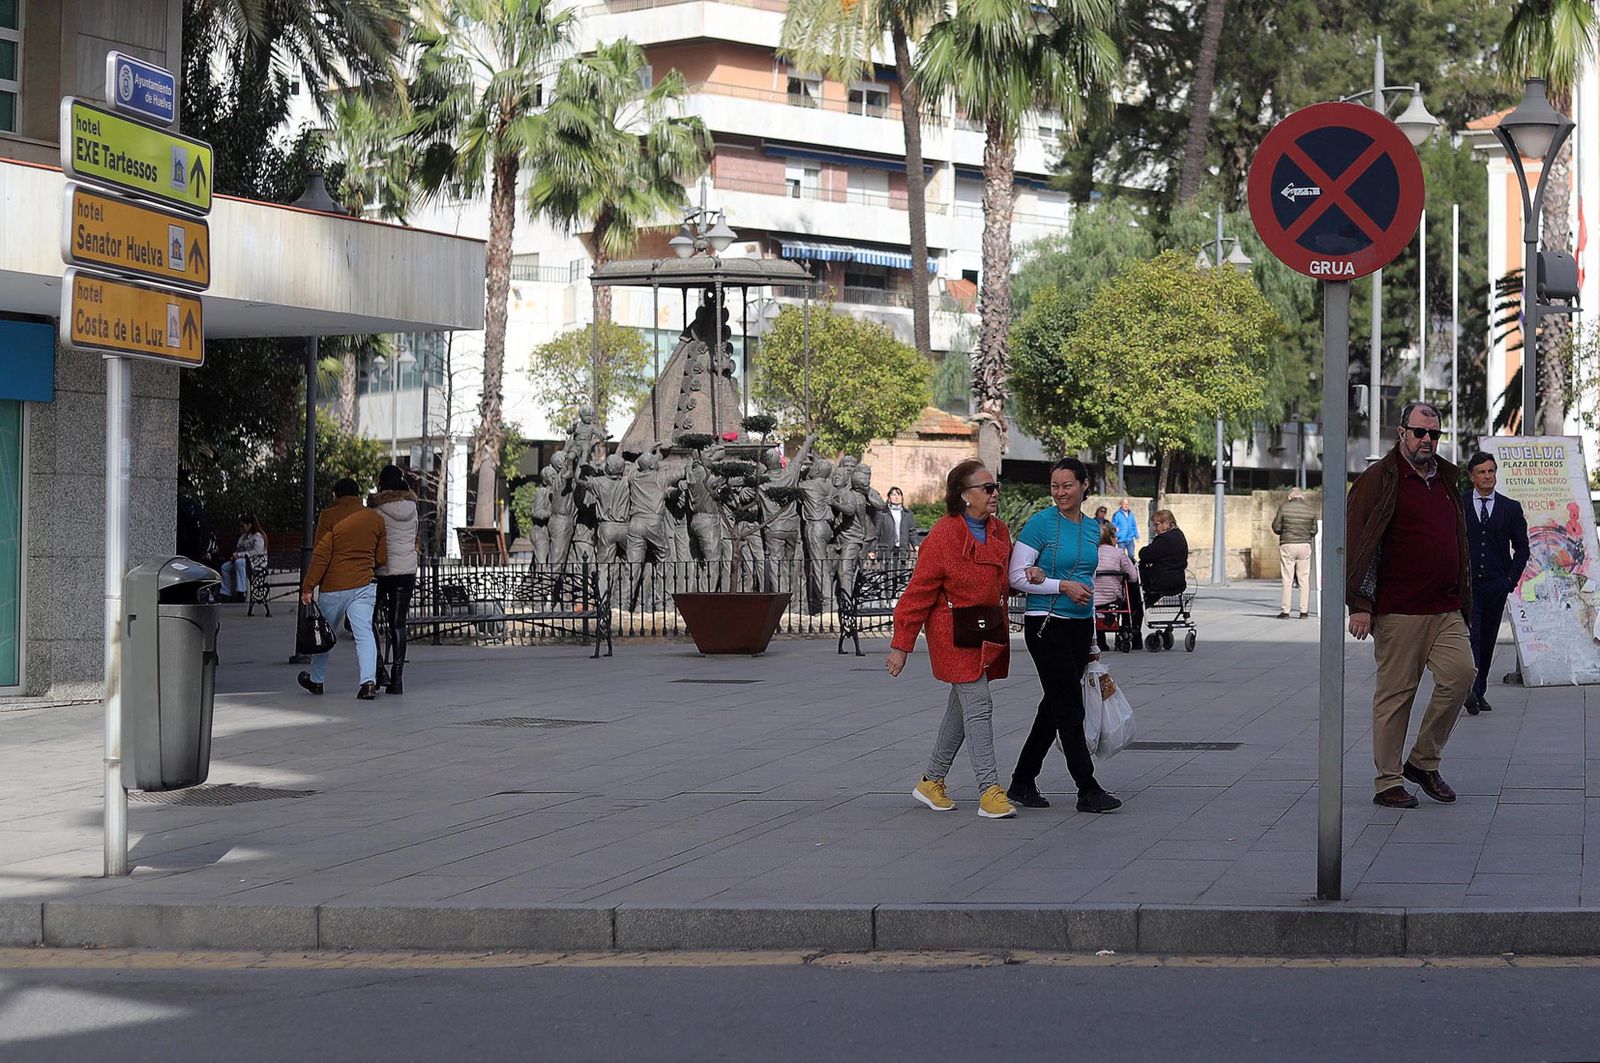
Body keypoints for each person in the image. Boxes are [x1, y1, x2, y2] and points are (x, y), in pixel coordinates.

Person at [1346, 401, 1475, 809]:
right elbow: (1358, 543)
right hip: (1399, 609)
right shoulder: (1378, 479)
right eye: (1419, 432)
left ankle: (1422, 760)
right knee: (1396, 695)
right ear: (1400, 432)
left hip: (1445, 607)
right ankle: (1388, 781)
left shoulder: (1445, 480)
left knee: (1462, 675)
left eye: (1434, 434)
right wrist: (1359, 603)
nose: (1427, 440)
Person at [886, 459, 1016, 820]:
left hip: (986, 631)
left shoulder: (1000, 531)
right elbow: (918, 593)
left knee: (961, 709)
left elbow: (1007, 579)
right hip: (951, 633)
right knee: (978, 705)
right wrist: (901, 644)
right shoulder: (943, 536)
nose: (995, 493)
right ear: (964, 496)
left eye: (995, 487)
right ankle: (990, 790)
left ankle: (932, 780)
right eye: (986, 488)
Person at [1005, 457, 1121, 814]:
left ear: (1085, 485)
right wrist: (1060, 585)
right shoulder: (1041, 523)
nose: (1060, 493)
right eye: (1054, 486)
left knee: (1053, 706)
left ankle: (1022, 781)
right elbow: (1016, 576)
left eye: (1067, 485)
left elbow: (1086, 580)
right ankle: (1087, 787)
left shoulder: (1091, 529)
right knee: (1068, 705)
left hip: (1079, 625)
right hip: (1046, 624)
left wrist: (1092, 643)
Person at [298, 478, 387, 700]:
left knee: (323, 634)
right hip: (364, 585)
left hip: (333, 586)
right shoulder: (375, 519)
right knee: (364, 634)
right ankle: (368, 682)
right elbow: (382, 557)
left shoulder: (328, 516)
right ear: (358, 495)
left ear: (336, 495)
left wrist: (308, 586)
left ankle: (317, 681)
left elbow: (321, 554)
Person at [1462, 451, 1529, 716]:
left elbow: (1522, 547)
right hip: (1469, 586)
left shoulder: (1510, 508)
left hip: (1497, 584)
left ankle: (1479, 692)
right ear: (1472, 477)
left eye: (1491, 471)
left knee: (1488, 638)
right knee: (1473, 637)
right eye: (1482, 472)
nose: (1488, 476)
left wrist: (1510, 580)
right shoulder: (1461, 504)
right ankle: (1472, 690)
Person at [371, 465, 420, 696]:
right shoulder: (413, 507)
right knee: (398, 624)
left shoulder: (377, 509)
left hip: (383, 571)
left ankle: (380, 668)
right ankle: (397, 680)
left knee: (368, 619)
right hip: (407, 571)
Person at [1093, 521, 1140, 652]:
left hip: (1092, 597)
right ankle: (1125, 629)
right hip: (1113, 596)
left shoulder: (1090, 553)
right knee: (1128, 598)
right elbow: (1133, 576)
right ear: (1111, 538)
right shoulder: (1119, 553)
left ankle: (1100, 640)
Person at [1272, 487, 1318, 619]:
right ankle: (1304, 611)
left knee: (1287, 578)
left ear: (1289, 497)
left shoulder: (1284, 508)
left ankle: (1285, 611)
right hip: (1304, 545)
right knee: (1304, 578)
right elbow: (1314, 530)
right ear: (1302, 497)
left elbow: (1276, 526)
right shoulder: (1310, 510)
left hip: (1288, 544)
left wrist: (1284, 532)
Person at [1138, 510, 1188, 605]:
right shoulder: (1179, 535)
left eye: (1156, 525)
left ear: (1166, 523)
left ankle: (1134, 613)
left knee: (1133, 586)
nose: (1154, 529)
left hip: (1161, 582)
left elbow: (1144, 554)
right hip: (1178, 581)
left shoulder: (1164, 539)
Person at [219, 514, 267, 603]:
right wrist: (235, 555)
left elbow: (256, 552)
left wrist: (240, 555)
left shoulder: (258, 536)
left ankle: (241, 591)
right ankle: (226, 593)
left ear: (249, 525)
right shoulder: (243, 537)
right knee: (225, 567)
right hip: (244, 560)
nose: (242, 528)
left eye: (243, 525)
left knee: (239, 563)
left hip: (256, 562)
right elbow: (239, 548)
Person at [874, 486, 919, 564]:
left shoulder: (907, 514)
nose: (896, 497)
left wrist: (916, 546)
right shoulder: (883, 513)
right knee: (886, 573)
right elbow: (876, 533)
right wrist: (872, 549)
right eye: (894, 495)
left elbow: (912, 532)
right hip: (886, 550)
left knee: (901, 573)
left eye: (899, 495)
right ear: (889, 497)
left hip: (902, 550)